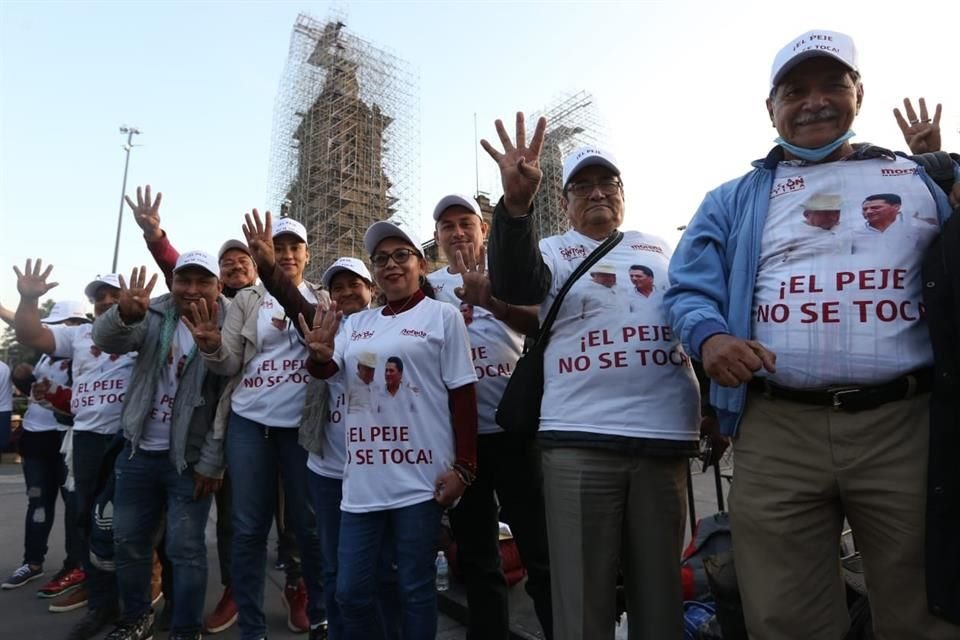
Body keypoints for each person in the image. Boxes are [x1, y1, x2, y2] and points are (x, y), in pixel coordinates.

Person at [664, 29, 960, 639]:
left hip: (906, 427)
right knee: (786, 612)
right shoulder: (732, 199)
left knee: (922, 609)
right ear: (769, 109)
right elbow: (688, 289)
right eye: (794, 91)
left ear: (859, 94)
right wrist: (711, 338)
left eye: (832, 85)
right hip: (778, 432)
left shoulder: (921, 180)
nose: (814, 101)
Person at [482, 118, 700, 639]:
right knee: (582, 604)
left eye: (609, 184)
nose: (598, 193)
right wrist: (515, 209)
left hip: (662, 440)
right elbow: (515, 281)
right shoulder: (554, 251)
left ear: (623, 193)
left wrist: (715, 406)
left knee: (660, 600)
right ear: (565, 200)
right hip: (579, 441)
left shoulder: (660, 248)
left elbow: (695, 315)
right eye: (583, 185)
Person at [304, 219, 478, 640]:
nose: (391, 265)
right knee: (350, 593)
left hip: (421, 480)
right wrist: (320, 355)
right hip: (362, 483)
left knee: (416, 589)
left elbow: (463, 396)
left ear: (419, 264)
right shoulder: (356, 324)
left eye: (401, 255)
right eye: (381, 259)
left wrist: (466, 468)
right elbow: (329, 371)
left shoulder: (443, 316)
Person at [241, 210, 402, 639]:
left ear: (372, 290)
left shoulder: (392, 326)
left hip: (379, 463)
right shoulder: (323, 323)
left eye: (356, 284)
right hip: (329, 462)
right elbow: (293, 302)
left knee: (383, 564)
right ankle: (332, 626)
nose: (348, 292)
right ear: (326, 295)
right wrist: (269, 269)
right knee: (331, 559)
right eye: (338, 286)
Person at [125, 183, 260, 634]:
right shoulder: (169, 310)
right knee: (152, 539)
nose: (236, 264)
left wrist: (213, 459)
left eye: (246, 259)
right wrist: (155, 238)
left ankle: (242, 595)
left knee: (243, 531)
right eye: (228, 260)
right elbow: (178, 274)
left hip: (243, 441)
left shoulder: (256, 308)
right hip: (186, 450)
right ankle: (148, 613)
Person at [426, 193, 553, 639]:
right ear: (437, 236)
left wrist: (494, 300)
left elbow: (540, 323)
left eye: (466, 223)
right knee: (479, 558)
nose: (457, 232)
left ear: (483, 229)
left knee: (540, 553)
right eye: (447, 226)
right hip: (463, 443)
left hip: (515, 431)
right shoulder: (429, 287)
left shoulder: (512, 272)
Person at [196, 215, 327, 640]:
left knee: (307, 526)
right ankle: (251, 627)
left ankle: (318, 611)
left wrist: (272, 275)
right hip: (250, 424)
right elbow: (230, 362)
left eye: (294, 248)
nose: (286, 254)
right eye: (278, 246)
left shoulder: (322, 297)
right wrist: (213, 347)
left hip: (300, 429)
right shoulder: (247, 301)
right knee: (248, 528)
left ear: (307, 255)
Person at [92, 253, 227, 640]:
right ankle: (137, 617)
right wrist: (126, 314)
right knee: (129, 542)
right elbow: (107, 338)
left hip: (189, 460)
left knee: (186, 550)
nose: (192, 289)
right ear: (172, 282)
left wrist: (213, 460)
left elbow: (227, 398)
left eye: (204, 281)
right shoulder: (153, 313)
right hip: (138, 453)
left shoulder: (229, 319)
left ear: (218, 286)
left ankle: (185, 628)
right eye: (184, 279)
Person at [12, 267, 136, 639]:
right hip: (86, 439)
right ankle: (101, 605)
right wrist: (29, 298)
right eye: (100, 297)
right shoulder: (79, 333)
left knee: (128, 527)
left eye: (114, 294)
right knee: (86, 520)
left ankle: (139, 605)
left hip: (130, 439)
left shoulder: (143, 330)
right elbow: (31, 333)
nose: (107, 301)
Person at [1, 297, 85, 607]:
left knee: (76, 507)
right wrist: (25, 378)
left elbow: (73, 401)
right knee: (38, 502)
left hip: (66, 440)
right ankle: (32, 562)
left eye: (72, 323)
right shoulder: (45, 356)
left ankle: (75, 566)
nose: (66, 329)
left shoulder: (83, 353)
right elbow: (39, 393)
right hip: (36, 440)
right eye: (59, 324)